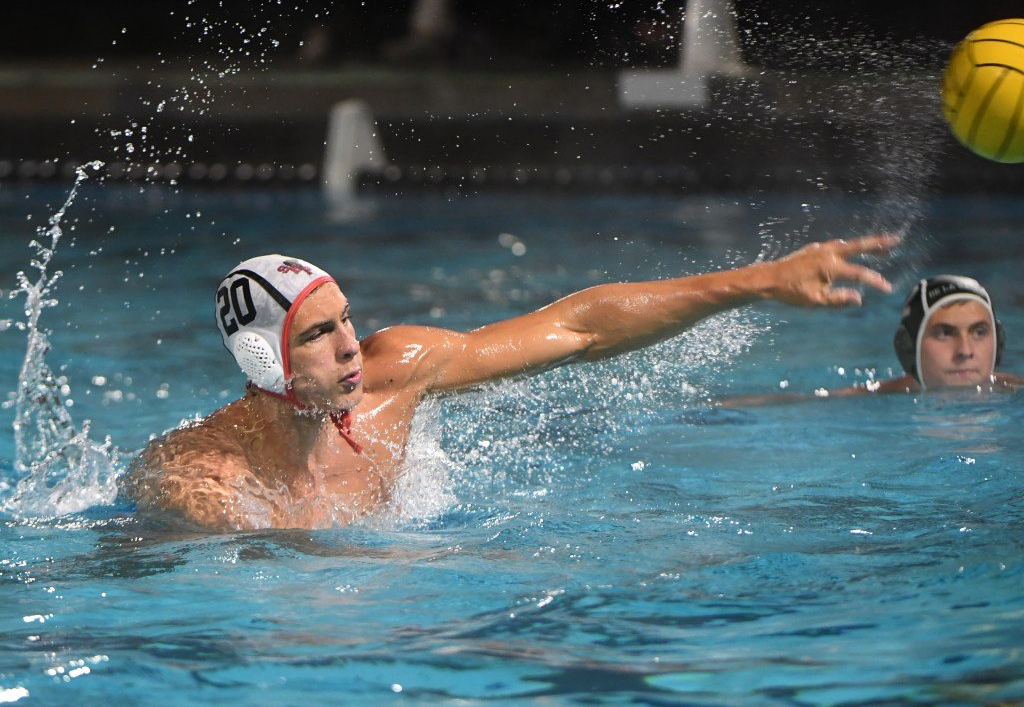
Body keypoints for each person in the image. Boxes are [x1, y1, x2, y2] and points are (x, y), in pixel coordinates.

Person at [126, 235, 898, 531]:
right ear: (268, 363)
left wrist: (759, 279)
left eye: (347, 319)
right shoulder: (205, 477)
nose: (353, 346)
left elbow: (581, 325)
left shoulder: (398, 375)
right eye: (321, 334)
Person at [721, 274, 1021, 406]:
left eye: (979, 332)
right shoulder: (879, 397)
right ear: (909, 346)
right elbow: (799, 402)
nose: (966, 351)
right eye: (945, 333)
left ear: (998, 340)